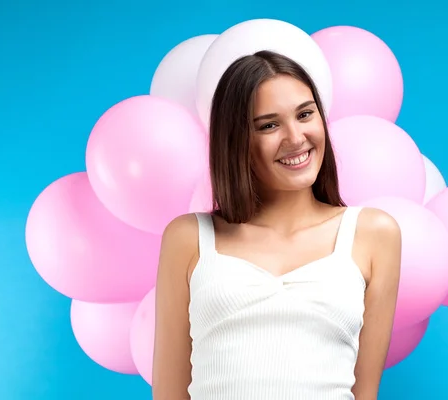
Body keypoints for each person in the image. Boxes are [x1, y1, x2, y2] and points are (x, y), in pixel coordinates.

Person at [152, 50, 402, 400]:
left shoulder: (373, 234)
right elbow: (168, 393)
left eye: (305, 114)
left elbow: (365, 394)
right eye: (269, 125)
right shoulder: (189, 238)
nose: (296, 137)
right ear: (237, 140)